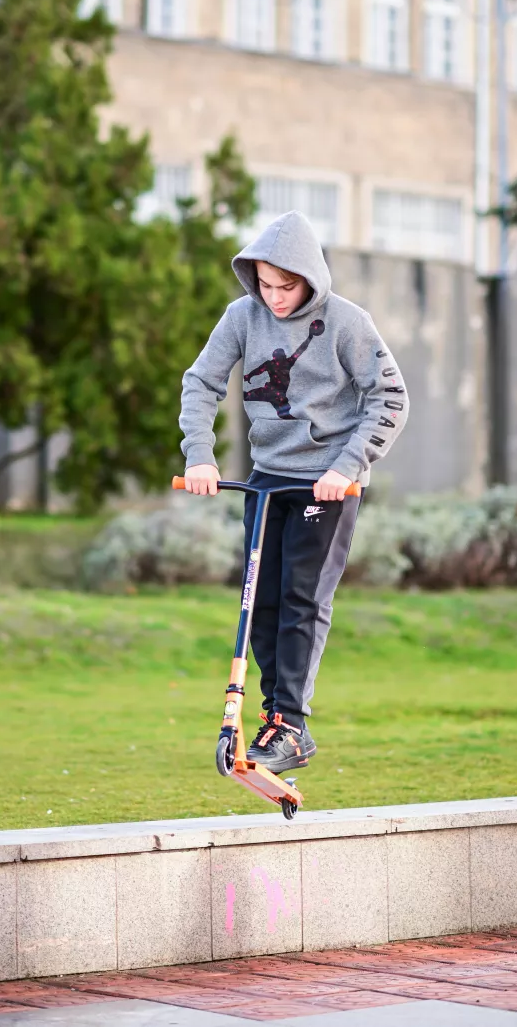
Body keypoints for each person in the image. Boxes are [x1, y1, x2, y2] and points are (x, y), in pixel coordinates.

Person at [178, 211, 409, 774]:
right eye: (264, 284)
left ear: (310, 277)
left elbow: (391, 399)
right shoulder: (243, 316)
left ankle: (293, 726)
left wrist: (347, 464)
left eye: (286, 286)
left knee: (302, 598)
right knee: (261, 600)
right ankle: (272, 717)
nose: (275, 298)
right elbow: (201, 381)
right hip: (267, 477)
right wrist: (199, 454)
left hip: (327, 483)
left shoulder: (348, 323)